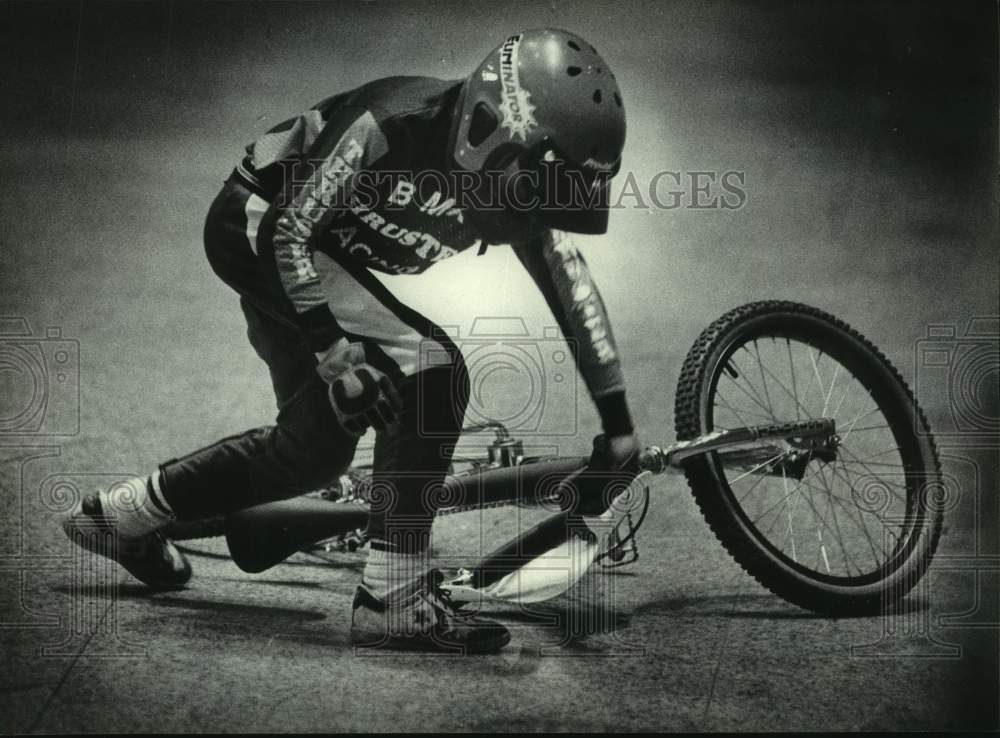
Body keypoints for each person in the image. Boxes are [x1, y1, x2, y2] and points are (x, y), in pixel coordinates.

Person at [61, 28, 638, 654]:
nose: (538, 213)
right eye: (533, 190)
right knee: (433, 370)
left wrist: (619, 425)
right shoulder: (389, 125)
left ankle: (118, 516)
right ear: (486, 131)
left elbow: (572, 291)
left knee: (312, 455)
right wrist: (337, 359)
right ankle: (394, 598)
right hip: (261, 228)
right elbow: (287, 234)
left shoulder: (514, 176)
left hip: (314, 254)